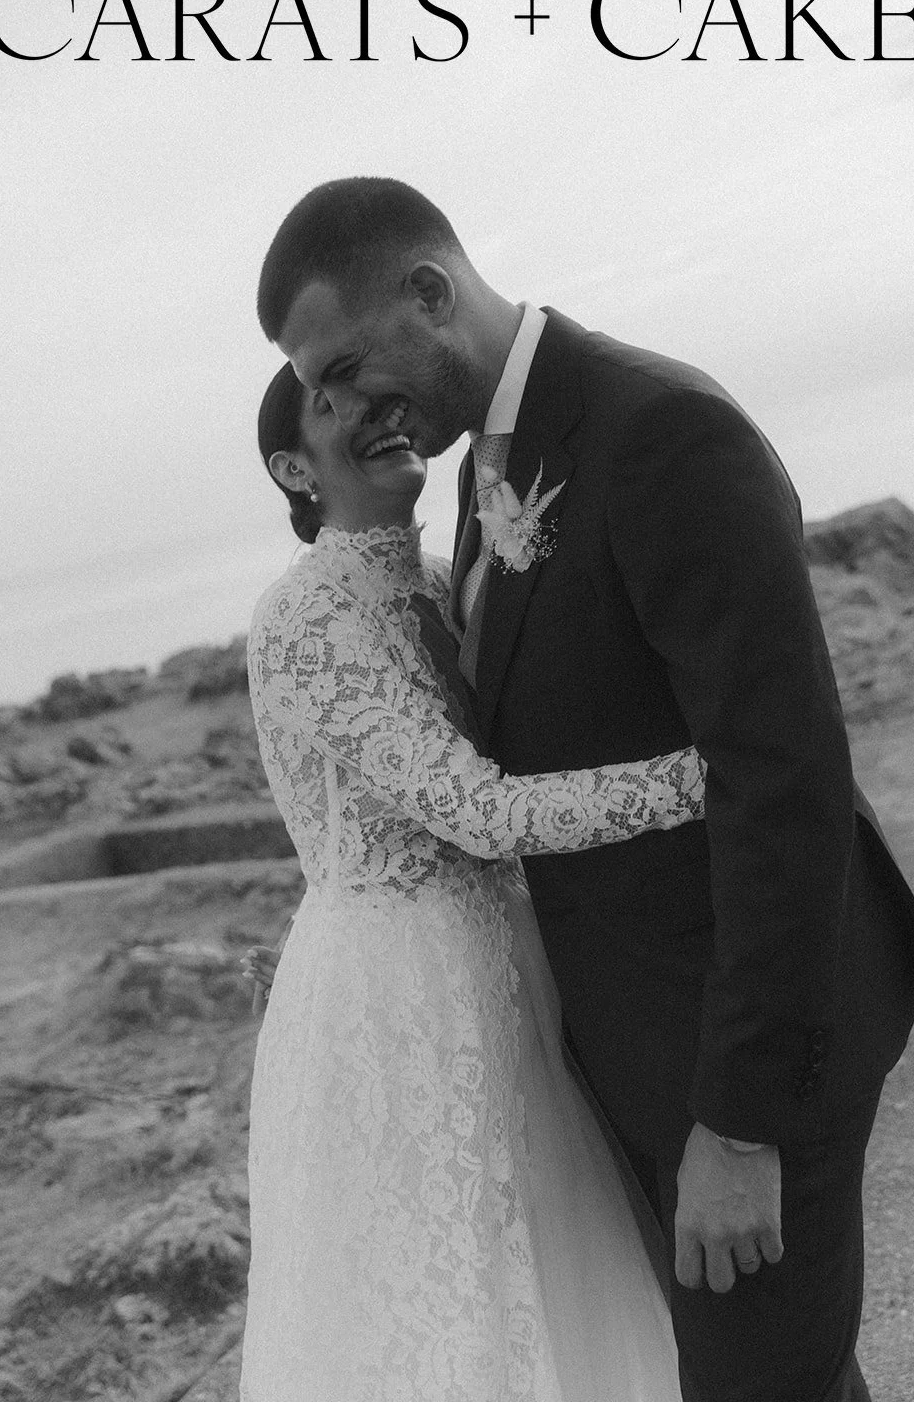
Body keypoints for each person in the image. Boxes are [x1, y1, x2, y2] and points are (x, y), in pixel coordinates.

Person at [255, 177, 914, 1402]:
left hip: (734, 1049)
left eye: (345, 366)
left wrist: (742, 1123)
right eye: (318, 390)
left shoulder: (657, 430)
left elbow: (781, 776)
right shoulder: (492, 465)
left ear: (428, 292)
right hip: (625, 1041)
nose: (347, 406)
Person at [239, 360, 707, 1402]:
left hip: (510, 960)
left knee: (557, 1261)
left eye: (377, 391)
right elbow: (480, 812)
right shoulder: (304, 618)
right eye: (332, 402)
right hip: (397, 992)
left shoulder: (440, 577)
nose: (376, 411)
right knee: (450, 1298)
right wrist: (707, 777)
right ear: (292, 469)